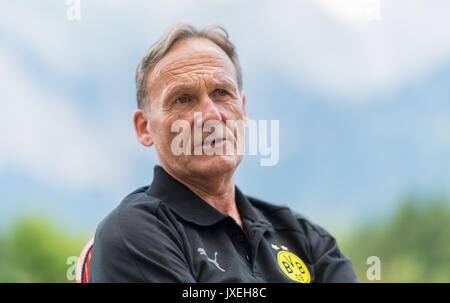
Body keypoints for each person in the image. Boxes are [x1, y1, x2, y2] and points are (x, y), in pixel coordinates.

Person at [88, 23, 358, 283]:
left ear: (243, 110)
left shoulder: (304, 236)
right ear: (144, 127)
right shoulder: (134, 232)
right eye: (182, 99)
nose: (211, 115)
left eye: (221, 93)